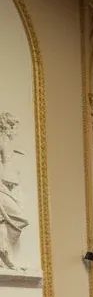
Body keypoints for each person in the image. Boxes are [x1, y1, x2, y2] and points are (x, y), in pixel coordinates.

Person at [0, 113, 28, 271]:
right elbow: (5, 165)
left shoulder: (7, 143)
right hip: (3, 187)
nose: (15, 130)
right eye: (13, 126)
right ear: (7, 127)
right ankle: (6, 257)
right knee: (18, 218)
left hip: (8, 186)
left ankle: (5, 257)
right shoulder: (2, 141)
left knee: (9, 220)